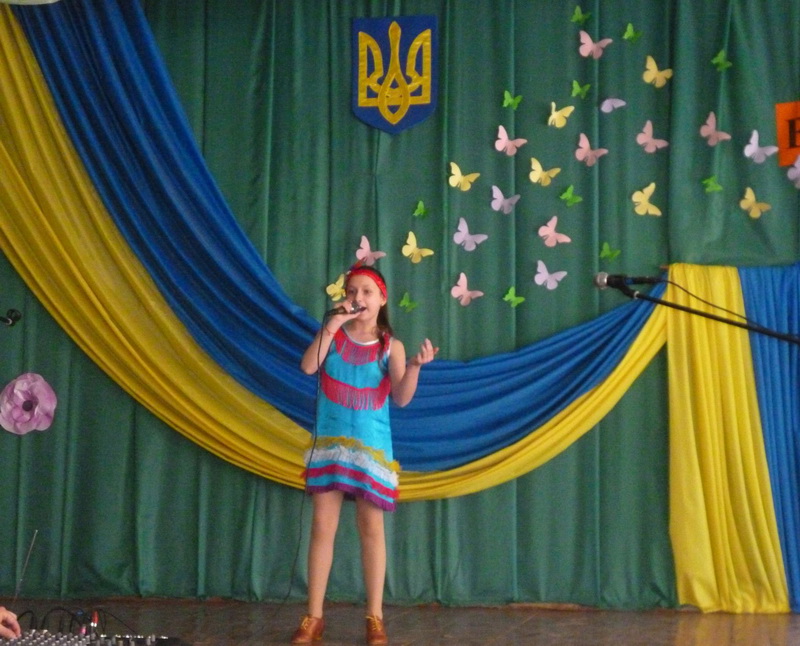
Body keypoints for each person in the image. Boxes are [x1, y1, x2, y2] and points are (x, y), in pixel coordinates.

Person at [293, 264, 437, 645]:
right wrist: (332, 324)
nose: (358, 298)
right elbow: (308, 366)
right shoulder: (333, 335)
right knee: (322, 527)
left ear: (382, 300)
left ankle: (375, 616)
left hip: (371, 451)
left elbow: (401, 398)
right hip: (329, 446)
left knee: (371, 529)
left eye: (367, 292)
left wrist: (415, 367)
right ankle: (313, 617)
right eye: (352, 291)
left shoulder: (391, 346)